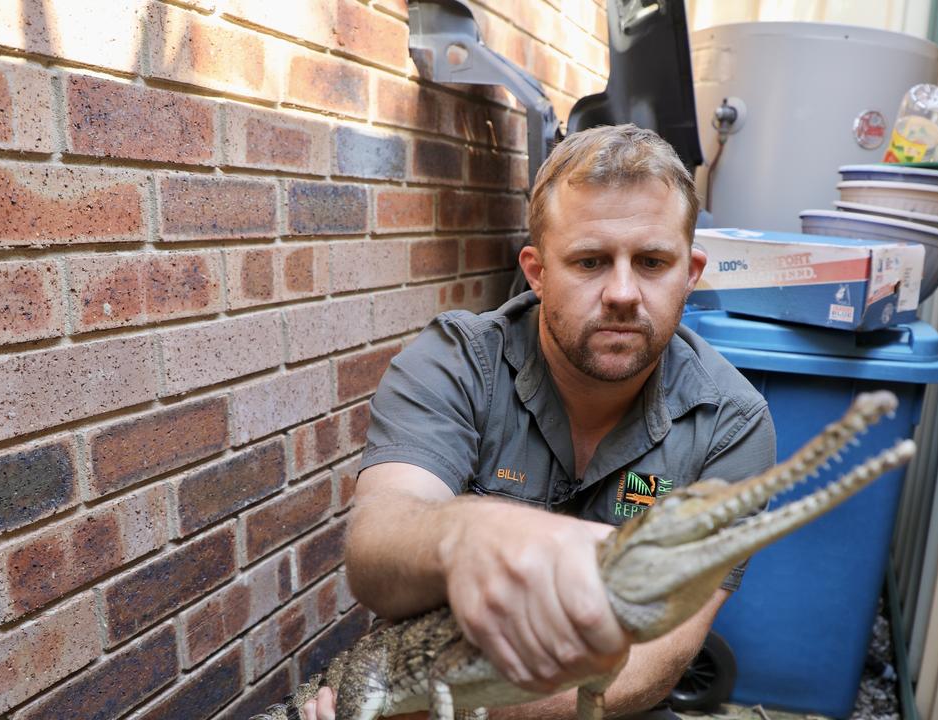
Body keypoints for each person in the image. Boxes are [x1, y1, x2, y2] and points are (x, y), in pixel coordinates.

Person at [303, 124, 776, 720]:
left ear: (691, 271)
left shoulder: (732, 423)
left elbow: (661, 656)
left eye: (653, 261)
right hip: (430, 676)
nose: (624, 292)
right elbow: (377, 547)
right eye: (590, 261)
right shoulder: (454, 363)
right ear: (537, 270)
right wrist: (468, 534)